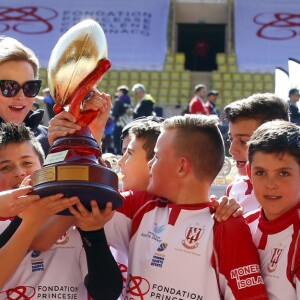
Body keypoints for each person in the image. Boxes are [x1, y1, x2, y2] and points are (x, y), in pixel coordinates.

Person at [71, 114, 268, 299]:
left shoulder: (227, 225)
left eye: (156, 157)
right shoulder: (139, 205)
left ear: (182, 167)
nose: (149, 165)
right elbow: (76, 197)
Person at [0, 123, 123, 299]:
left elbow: (106, 293)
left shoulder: (77, 217)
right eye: (5, 167)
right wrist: (27, 220)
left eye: (27, 162)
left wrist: (94, 233)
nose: (19, 173)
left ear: (44, 167)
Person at [246, 120, 300, 299]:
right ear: (249, 173)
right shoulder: (241, 225)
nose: (270, 185)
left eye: (283, 173)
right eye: (260, 173)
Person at [224, 93, 289, 213]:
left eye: (243, 141)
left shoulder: (293, 193)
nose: (232, 150)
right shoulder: (233, 189)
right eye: (231, 139)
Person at [112, 85, 133, 154]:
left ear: (121, 92)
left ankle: (118, 156)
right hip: (128, 124)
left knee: (117, 141)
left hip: (119, 124)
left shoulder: (118, 101)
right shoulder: (129, 102)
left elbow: (114, 113)